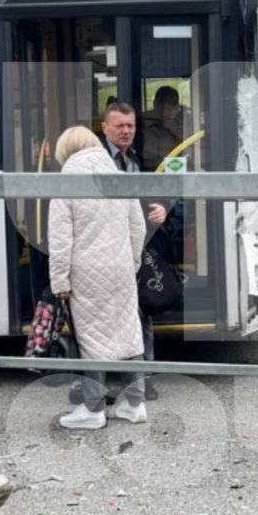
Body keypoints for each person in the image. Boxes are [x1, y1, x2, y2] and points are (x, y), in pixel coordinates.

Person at [48, 126, 146, 430]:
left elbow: (60, 240)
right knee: (129, 334)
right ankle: (135, 404)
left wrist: (60, 281)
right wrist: (132, 261)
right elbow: (138, 226)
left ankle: (92, 410)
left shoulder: (67, 182)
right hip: (120, 267)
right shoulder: (118, 174)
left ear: (65, 151)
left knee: (93, 340)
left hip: (87, 271)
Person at [101, 99, 171, 400]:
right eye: (120, 126)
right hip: (104, 252)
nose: (126, 131)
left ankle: (143, 379)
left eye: (130, 126)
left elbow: (134, 203)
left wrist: (158, 209)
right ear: (105, 128)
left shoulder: (132, 161)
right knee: (103, 321)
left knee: (140, 315)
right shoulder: (97, 160)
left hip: (130, 250)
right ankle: (97, 385)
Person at [141, 84, 185, 172]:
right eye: (161, 107)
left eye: (169, 108)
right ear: (154, 106)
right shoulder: (143, 131)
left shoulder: (187, 131)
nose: (164, 113)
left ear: (177, 109)